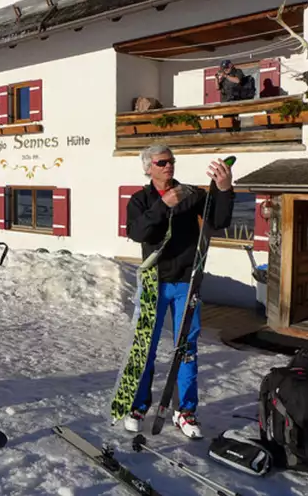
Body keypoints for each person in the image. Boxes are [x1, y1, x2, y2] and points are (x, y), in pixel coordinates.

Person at [124, 144, 234, 439]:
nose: (168, 166)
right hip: (153, 283)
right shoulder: (139, 200)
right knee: (144, 347)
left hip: (187, 281)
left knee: (187, 350)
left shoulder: (190, 193)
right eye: (161, 162)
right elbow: (138, 233)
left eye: (171, 161)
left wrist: (224, 189)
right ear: (148, 168)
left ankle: (185, 411)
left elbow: (218, 220)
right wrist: (164, 206)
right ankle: (138, 406)